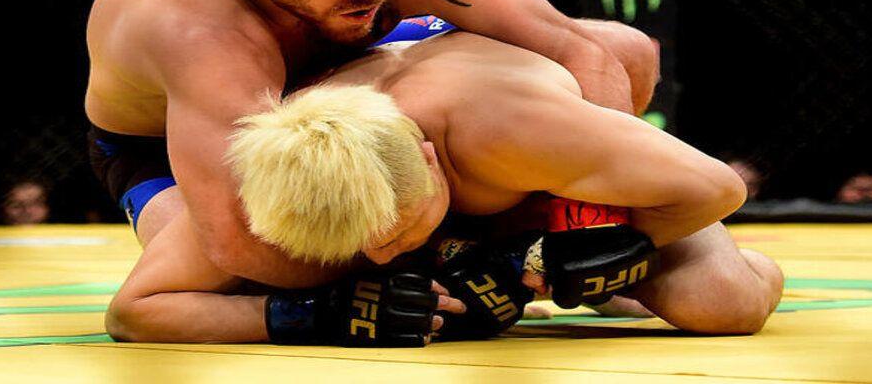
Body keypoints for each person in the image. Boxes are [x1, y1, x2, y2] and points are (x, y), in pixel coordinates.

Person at [84, 0, 658, 297]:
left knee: (626, 49)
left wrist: (588, 221)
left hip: (349, 93)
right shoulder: (195, 28)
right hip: (167, 152)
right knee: (231, 279)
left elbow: (584, 52)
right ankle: (467, 250)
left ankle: (510, 243)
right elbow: (236, 240)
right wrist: (410, 267)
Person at [105, 31, 784, 345]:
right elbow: (134, 311)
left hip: (538, 178)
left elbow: (715, 187)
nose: (379, 259)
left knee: (721, 301)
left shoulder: (510, 130)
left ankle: (612, 284)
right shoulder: (272, 178)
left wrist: (567, 253)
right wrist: (306, 315)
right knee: (261, 273)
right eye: (362, 250)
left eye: (398, 234)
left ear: (432, 163)